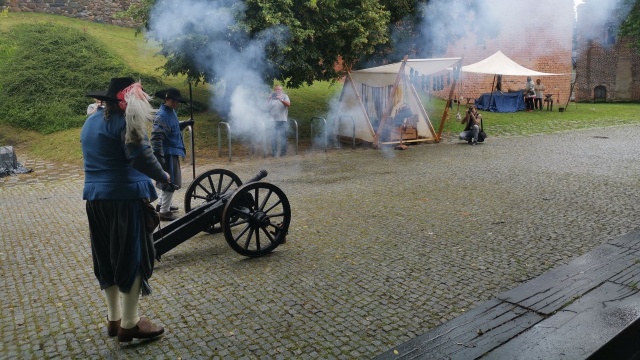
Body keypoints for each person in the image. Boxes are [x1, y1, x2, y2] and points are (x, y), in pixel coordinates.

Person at [81, 77, 168, 342]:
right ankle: (130, 323)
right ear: (129, 100)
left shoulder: (90, 121)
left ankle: (113, 318)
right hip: (125, 200)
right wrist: (163, 175)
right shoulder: (126, 122)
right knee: (133, 255)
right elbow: (141, 155)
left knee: (106, 257)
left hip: (95, 200)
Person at [151, 88, 193, 221]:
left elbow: (173, 127)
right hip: (167, 153)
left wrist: (185, 123)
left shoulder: (170, 112)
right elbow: (156, 137)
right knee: (170, 181)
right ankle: (164, 212)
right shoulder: (162, 115)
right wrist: (159, 156)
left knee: (169, 180)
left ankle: (162, 205)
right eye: (173, 100)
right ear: (166, 99)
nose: (176, 103)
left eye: (177, 101)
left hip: (172, 151)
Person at [267, 85, 291, 156]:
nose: (278, 91)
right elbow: (265, 107)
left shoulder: (285, 96)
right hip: (273, 120)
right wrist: (268, 99)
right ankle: (274, 153)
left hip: (282, 120)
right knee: (274, 137)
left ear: (281, 90)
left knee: (283, 137)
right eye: (276, 89)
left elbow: (288, 104)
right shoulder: (272, 98)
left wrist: (281, 99)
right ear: (274, 90)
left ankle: (283, 153)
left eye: (279, 89)